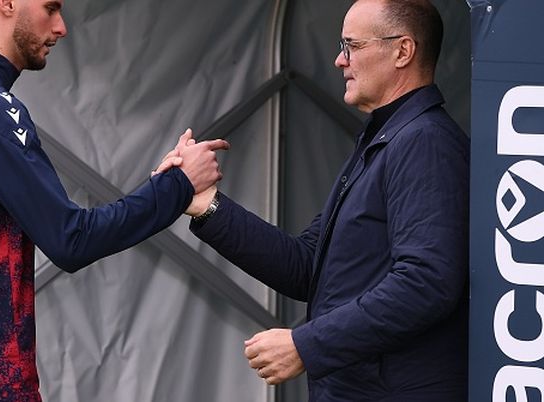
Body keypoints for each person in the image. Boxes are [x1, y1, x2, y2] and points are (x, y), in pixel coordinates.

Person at [0, 0, 228, 400]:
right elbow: (72, 239)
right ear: (7, 3)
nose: (62, 26)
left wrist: (163, 186)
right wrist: (179, 187)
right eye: (50, 7)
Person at [169, 0, 469, 400]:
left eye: (352, 46)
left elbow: (426, 282)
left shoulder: (424, 141)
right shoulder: (385, 139)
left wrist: (307, 345)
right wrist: (207, 204)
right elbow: (308, 266)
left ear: (403, 51)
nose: (339, 61)